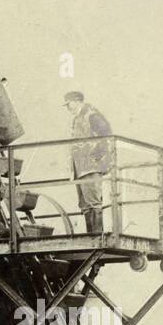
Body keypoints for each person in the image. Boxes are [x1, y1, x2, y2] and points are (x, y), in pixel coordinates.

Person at [64, 91, 112, 234]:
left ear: (78, 101)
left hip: (90, 167)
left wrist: (95, 156)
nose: (68, 108)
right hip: (79, 168)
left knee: (94, 202)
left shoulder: (92, 115)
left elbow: (107, 136)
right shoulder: (77, 118)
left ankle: (97, 236)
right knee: (84, 204)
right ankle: (90, 235)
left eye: (69, 104)